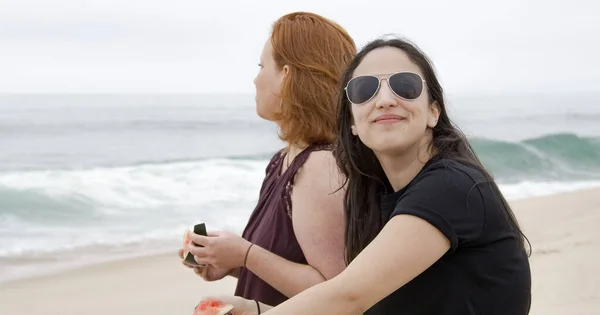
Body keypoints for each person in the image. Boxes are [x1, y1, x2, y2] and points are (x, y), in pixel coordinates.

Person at [199, 36, 532, 314]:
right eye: (365, 90)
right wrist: (257, 309)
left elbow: (348, 296)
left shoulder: (451, 187)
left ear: (433, 111)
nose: (385, 99)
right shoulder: (382, 200)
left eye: (405, 85)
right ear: (353, 123)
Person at [178, 11, 357, 308]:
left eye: (262, 66)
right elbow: (286, 265)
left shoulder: (320, 167)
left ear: (287, 76)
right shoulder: (284, 160)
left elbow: (333, 290)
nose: (255, 78)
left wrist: (246, 254)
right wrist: (229, 263)